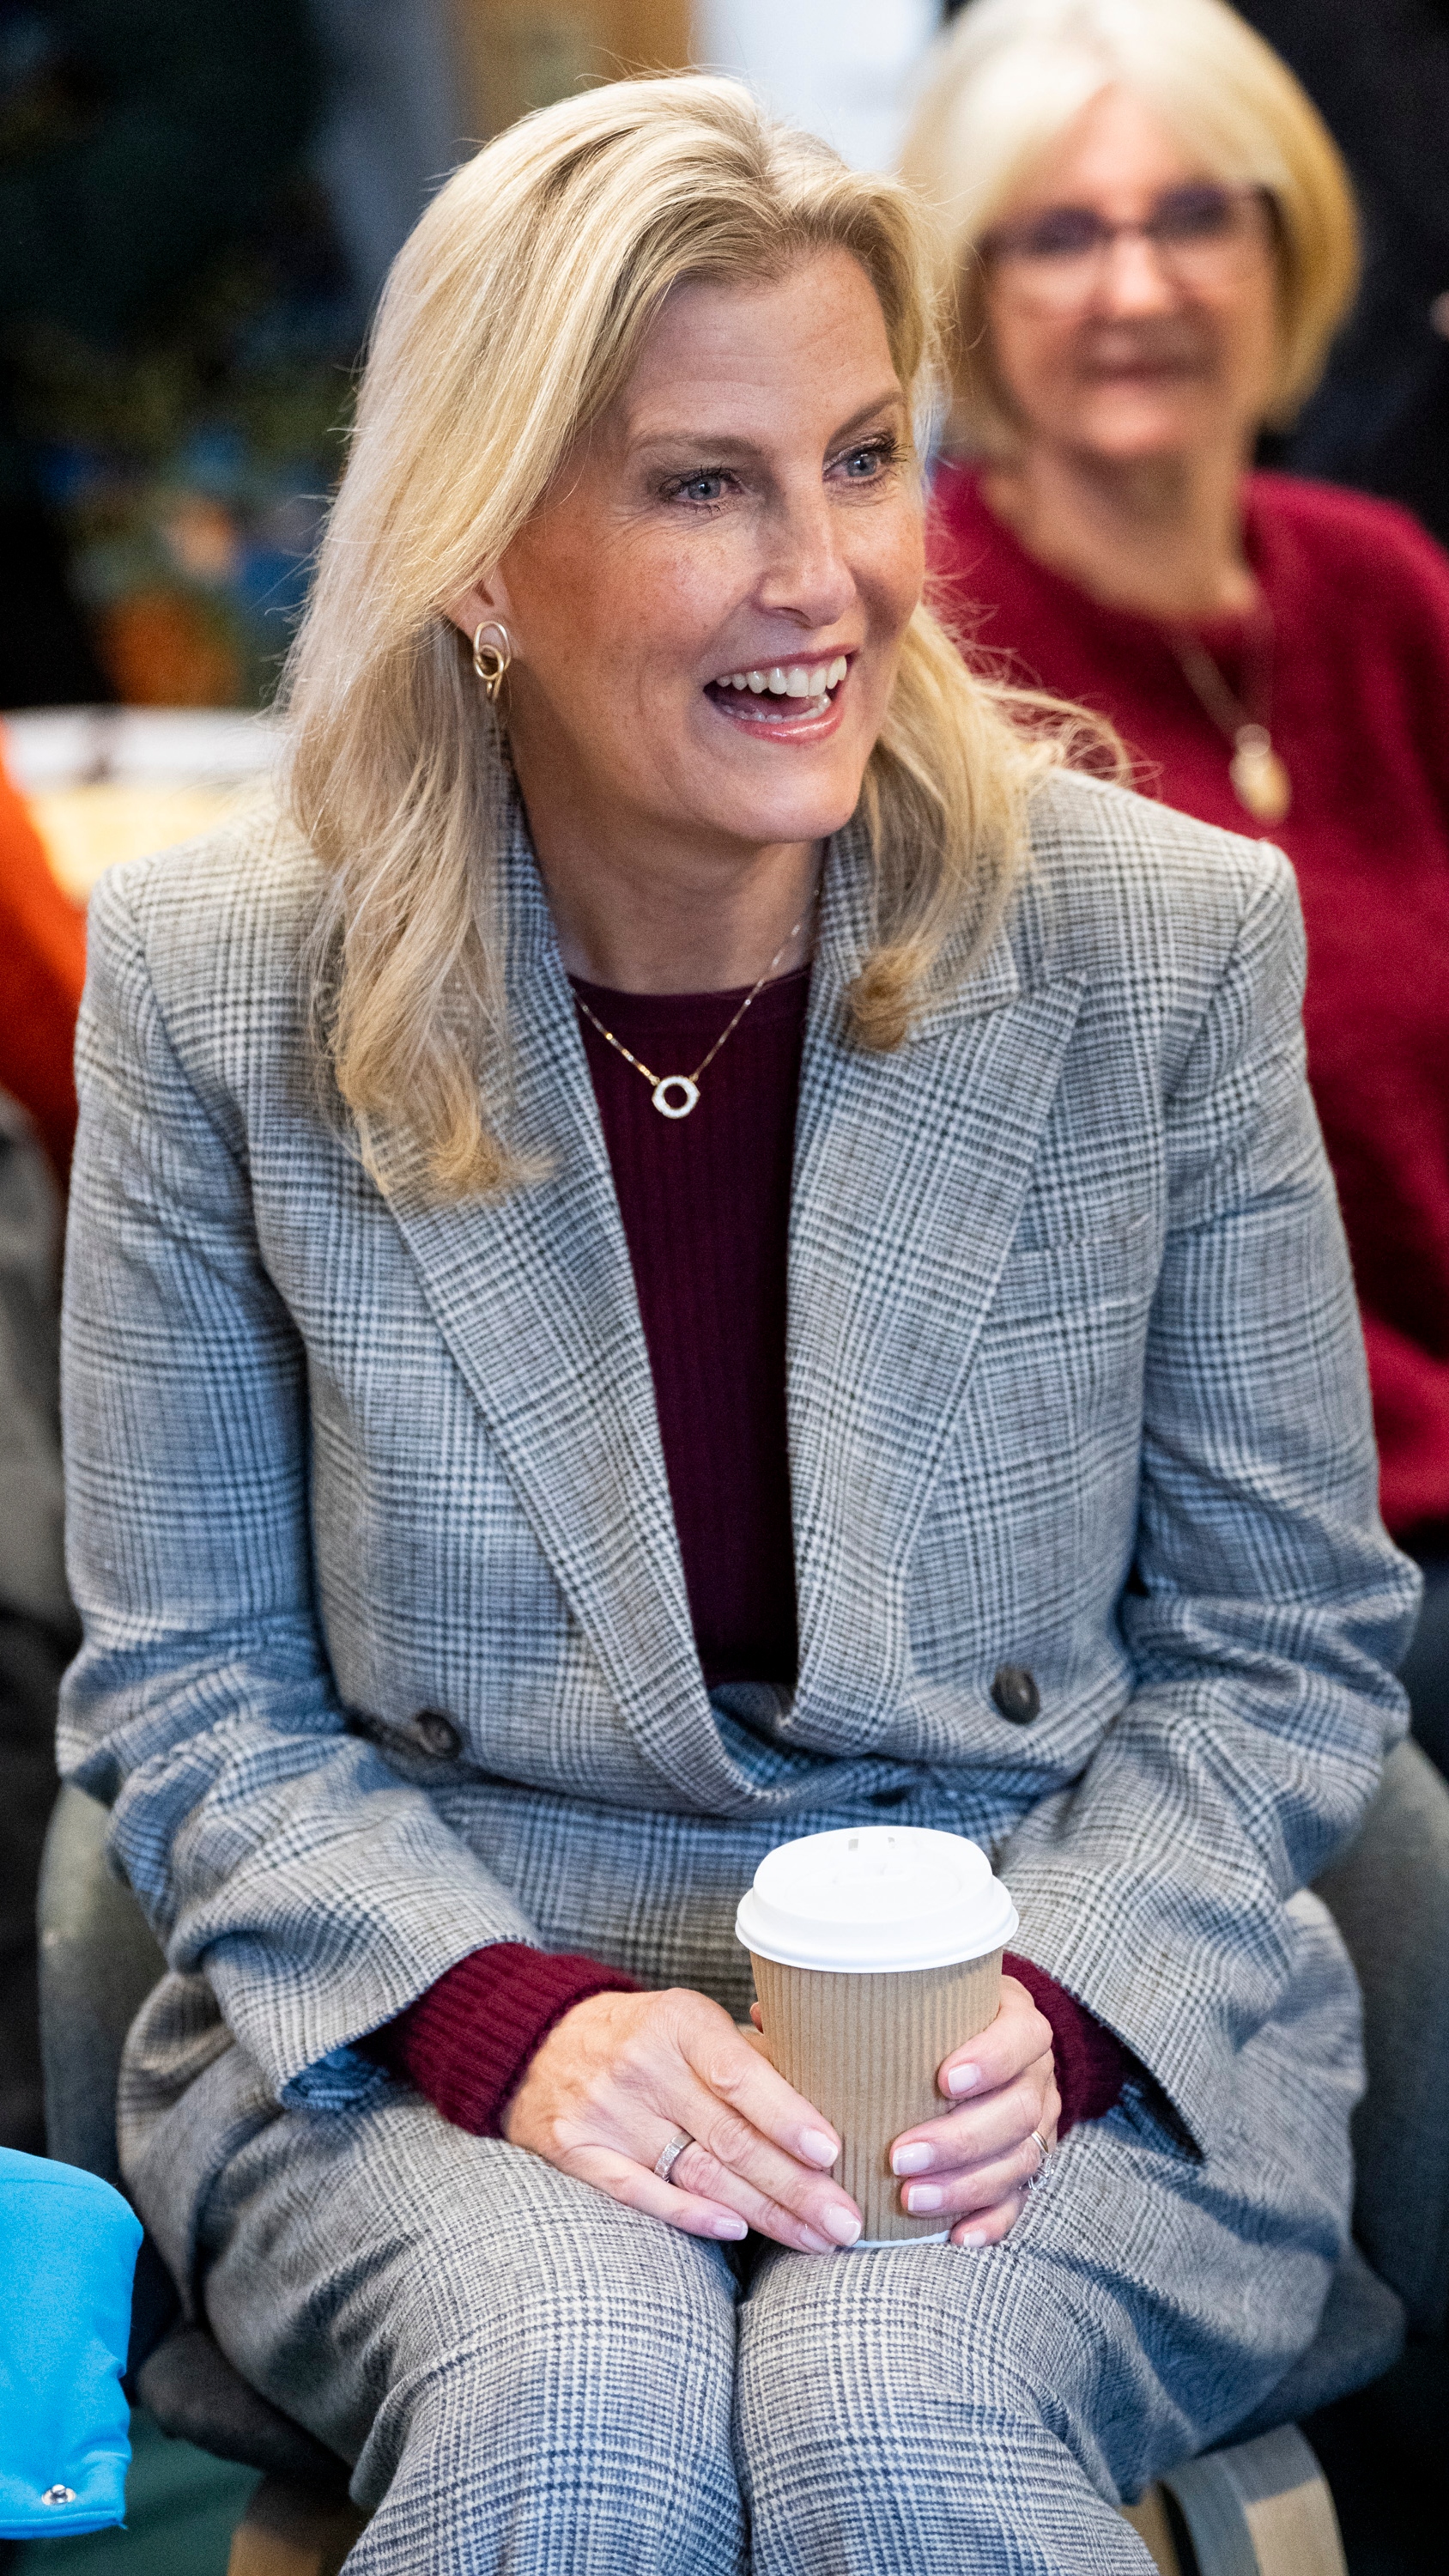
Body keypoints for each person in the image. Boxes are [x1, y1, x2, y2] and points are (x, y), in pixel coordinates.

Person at [59, 75, 1416, 2575]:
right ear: (481, 553)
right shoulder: (216, 979)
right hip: (450, 1988)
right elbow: (192, 1693)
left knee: (889, 2418)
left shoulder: (1164, 942)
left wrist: (1076, 2012)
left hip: (1036, 1982)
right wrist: (512, 2027)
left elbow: (1291, 1645)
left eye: (868, 459)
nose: (832, 576)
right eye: (704, 486)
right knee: (577, 2416)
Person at [905, 0, 1449, 1778]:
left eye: (1191, 218)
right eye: (1059, 235)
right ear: (968, 295)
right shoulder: (914, 658)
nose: (1135, 288)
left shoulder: (1376, 589)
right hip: (1223, 1549)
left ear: (1286, 245)